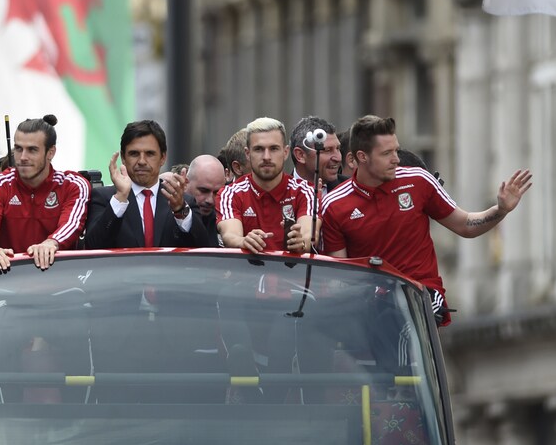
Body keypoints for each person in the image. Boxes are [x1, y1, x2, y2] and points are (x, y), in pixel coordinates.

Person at [320, 115, 532, 324]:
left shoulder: (419, 180)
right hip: (371, 304)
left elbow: (465, 225)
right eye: (386, 153)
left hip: (422, 293)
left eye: (396, 150)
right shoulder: (334, 205)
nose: (396, 159)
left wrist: (501, 210)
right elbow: (342, 275)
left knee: (410, 315)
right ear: (362, 157)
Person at [0, 115, 90, 271]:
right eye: (18, 149)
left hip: (59, 278)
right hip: (7, 277)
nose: (23, 157)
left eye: (32, 150)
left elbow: (72, 224)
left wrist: (51, 243)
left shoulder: (73, 185)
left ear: (51, 152)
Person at [84, 120, 212, 249]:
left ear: (163, 157)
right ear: (123, 157)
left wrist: (180, 210)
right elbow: (92, 247)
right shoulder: (104, 198)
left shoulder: (183, 202)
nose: (142, 161)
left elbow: (203, 248)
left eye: (150, 154)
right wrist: (120, 198)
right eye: (134, 154)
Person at [216, 117, 316, 253]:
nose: (267, 157)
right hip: (248, 267)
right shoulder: (230, 193)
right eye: (259, 149)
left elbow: (309, 235)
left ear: (286, 152)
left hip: (293, 267)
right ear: (247, 154)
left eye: (274, 149)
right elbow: (230, 236)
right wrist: (243, 241)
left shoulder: (306, 191)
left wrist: (301, 242)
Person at [289, 115, 346, 195]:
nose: (338, 158)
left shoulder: (351, 191)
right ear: (300, 155)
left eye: (338, 148)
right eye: (327, 150)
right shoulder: (279, 193)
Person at [184, 154, 226, 246]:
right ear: (186, 183)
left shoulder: (225, 219)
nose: (210, 200)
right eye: (203, 190)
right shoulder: (166, 215)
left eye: (216, 192)